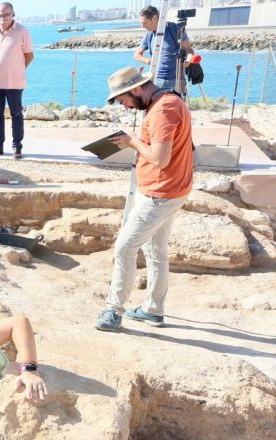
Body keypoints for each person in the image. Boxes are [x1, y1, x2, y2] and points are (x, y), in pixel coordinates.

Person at [95, 67, 193, 333]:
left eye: (123, 99)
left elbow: (160, 158)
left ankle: (114, 311)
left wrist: (131, 141)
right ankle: (152, 310)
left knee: (125, 249)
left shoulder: (162, 110)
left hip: (160, 194)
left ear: (136, 89)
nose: (124, 106)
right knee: (155, 251)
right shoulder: (168, 101)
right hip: (168, 189)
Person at [0, 2, 33, 159]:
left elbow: (29, 55)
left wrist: (17, 69)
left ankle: (17, 147)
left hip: (14, 82)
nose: (3, 18)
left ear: (13, 14)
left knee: (16, 114)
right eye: (0, 15)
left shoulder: (22, 31)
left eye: (6, 14)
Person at [133, 5, 195, 93]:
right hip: (156, 80)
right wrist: (148, 61)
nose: (143, 26)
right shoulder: (149, 35)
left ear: (154, 18)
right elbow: (137, 55)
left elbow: (189, 50)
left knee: (176, 105)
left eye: (145, 23)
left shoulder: (174, 29)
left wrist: (188, 62)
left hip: (176, 80)